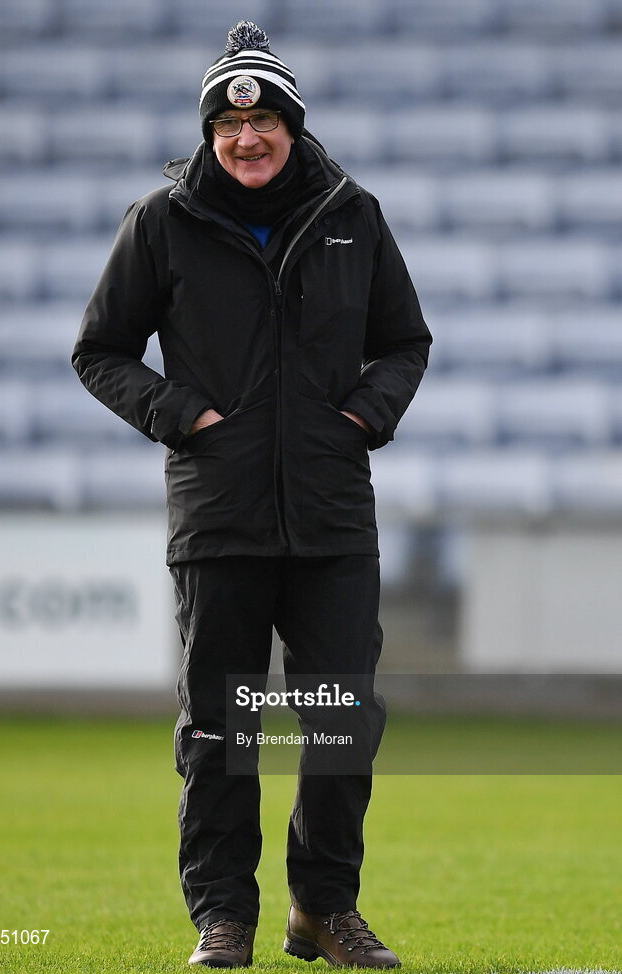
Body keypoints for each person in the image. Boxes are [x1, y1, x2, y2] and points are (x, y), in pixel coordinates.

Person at [72, 21, 432, 969]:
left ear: (293, 127)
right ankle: (222, 918)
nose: (247, 140)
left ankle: (322, 908)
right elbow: (99, 351)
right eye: (230, 127)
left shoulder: (357, 214)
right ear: (209, 136)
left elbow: (406, 343)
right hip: (219, 515)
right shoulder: (160, 222)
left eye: (266, 121)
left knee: (342, 717)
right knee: (221, 730)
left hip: (332, 515)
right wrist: (180, 413)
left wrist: (361, 419)